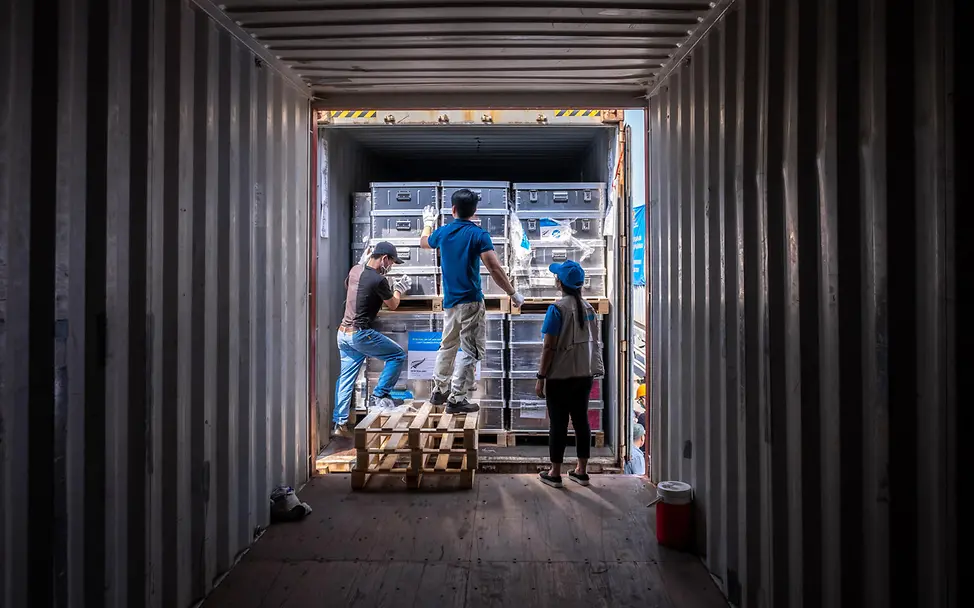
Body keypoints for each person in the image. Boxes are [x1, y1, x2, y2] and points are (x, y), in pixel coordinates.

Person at [419, 189, 525, 413]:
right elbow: (494, 268)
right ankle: (457, 399)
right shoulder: (479, 235)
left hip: (450, 302)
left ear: (453, 210)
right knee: (470, 351)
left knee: (448, 345)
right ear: (474, 211)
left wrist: (428, 222)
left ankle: (439, 390)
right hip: (471, 301)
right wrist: (512, 293)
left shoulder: (444, 232)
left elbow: (424, 242)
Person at [534, 260, 604, 488]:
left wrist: (541, 377)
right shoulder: (589, 309)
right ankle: (581, 471)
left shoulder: (557, 309)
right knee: (582, 421)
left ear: (560, 282)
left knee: (559, 424)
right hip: (584, 376)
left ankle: (555, 473)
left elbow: (548, 347)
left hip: (559, 377)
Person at [331, 242, 412, 438]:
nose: (391, 267)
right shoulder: (379, 280)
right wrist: (399, 289)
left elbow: (350, 284)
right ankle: (380, 394)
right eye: (391, 262)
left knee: (346, 377)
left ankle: (339, 424)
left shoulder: (355, 270)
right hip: (360, 334)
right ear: (384, 259)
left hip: (343, 334)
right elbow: (392, 304)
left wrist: (363, 263)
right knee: (397, 355)